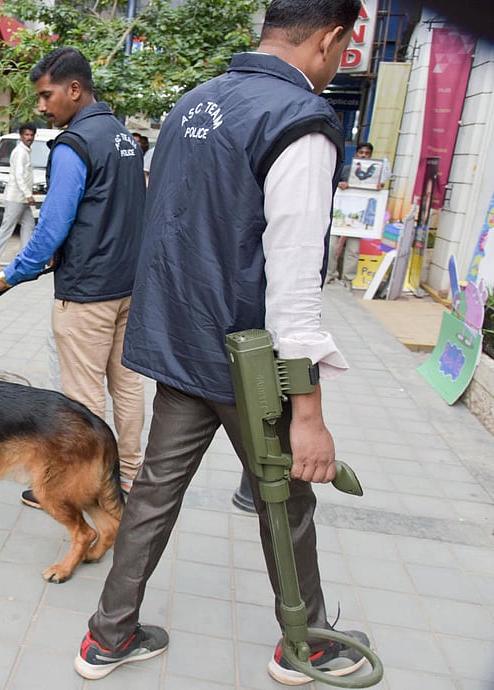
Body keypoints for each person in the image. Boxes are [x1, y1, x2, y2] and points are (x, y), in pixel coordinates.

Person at [74, 0, 372, 684]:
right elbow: (294, 286)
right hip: (250, 363)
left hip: (182, 344)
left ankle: (108, 637)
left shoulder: (193, 104)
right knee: (289, 502)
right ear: (330, 39)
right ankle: (309, 646)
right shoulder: (299, 123)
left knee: (153, 493)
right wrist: (309, 415)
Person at [0, 47, 146, 498]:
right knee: (127, 387)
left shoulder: (73, 144)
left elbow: (52, 227)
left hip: (88, 294)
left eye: (47, 95)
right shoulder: (124, 137)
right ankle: (129, 474)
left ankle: (87, 489)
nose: (42, 106)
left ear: (74, 89)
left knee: (83, 400)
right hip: (129, 287)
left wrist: (7, 277)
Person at [332, 141, 392, 286]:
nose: (363, 156)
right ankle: (329, 276)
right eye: (361, 153)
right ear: (356, 154)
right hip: (341, 214)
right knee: (332, 246)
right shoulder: (345, 170)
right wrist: (339, 184)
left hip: (359, 218)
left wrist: (378, 187)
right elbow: (332, 184)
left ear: (370, 155)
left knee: (353, 250)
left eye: (367, 153)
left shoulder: (375, 173)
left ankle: (347, 279)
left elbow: (377, 192)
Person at [0, 123, 38, 270]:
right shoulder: (20, 152)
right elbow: (19, 176)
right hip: (16, 197)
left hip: (22, 198)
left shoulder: (26, 151)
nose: (29, 138)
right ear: (21, 136)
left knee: (29, 226)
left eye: (31, 135)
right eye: (26, 135)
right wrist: (28, 194)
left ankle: (25, 260)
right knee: (7, 228)